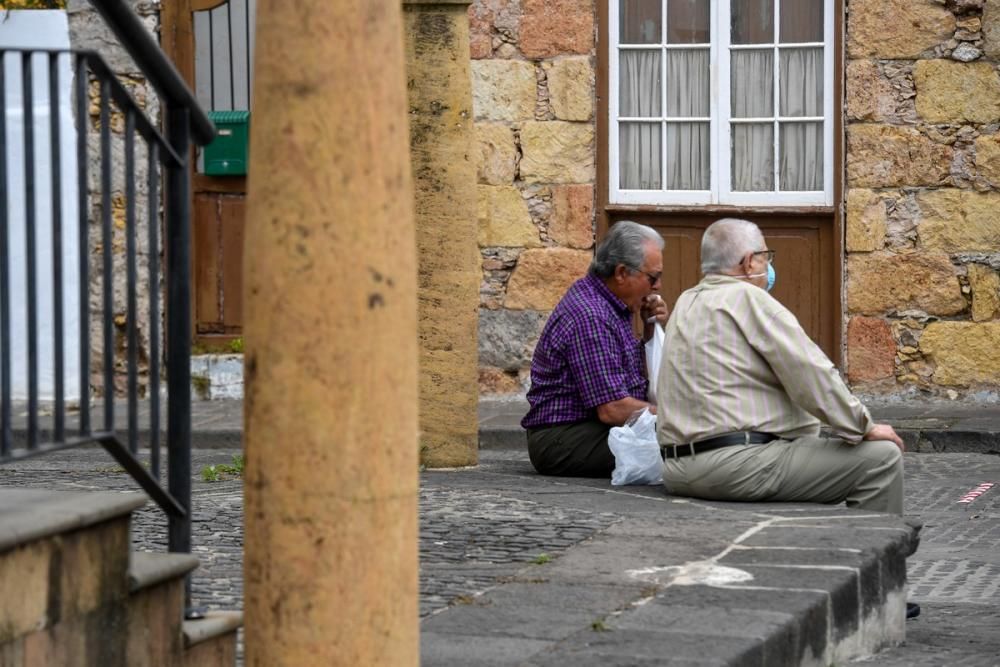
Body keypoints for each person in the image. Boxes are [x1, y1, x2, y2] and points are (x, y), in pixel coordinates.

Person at [656, 218, 906, 515]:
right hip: (735, 464)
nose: (768, 264)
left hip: (676, 466)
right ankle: (870, 556)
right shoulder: (749, 298)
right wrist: (861, 426)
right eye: (765, 256)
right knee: (882, 460)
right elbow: (809, 372)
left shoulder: (686, 301)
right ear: (749, 263)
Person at [522, 220, 669, 477]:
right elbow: (612, 409)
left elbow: (632, 380)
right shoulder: (591, 315)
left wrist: (649, 331)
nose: (657, 287)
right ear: (622, 272)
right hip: (563, 438)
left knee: (675, 440)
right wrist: (675, 416)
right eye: (652, 277)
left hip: (585, 428)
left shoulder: (612, 304)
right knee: (676, 443)